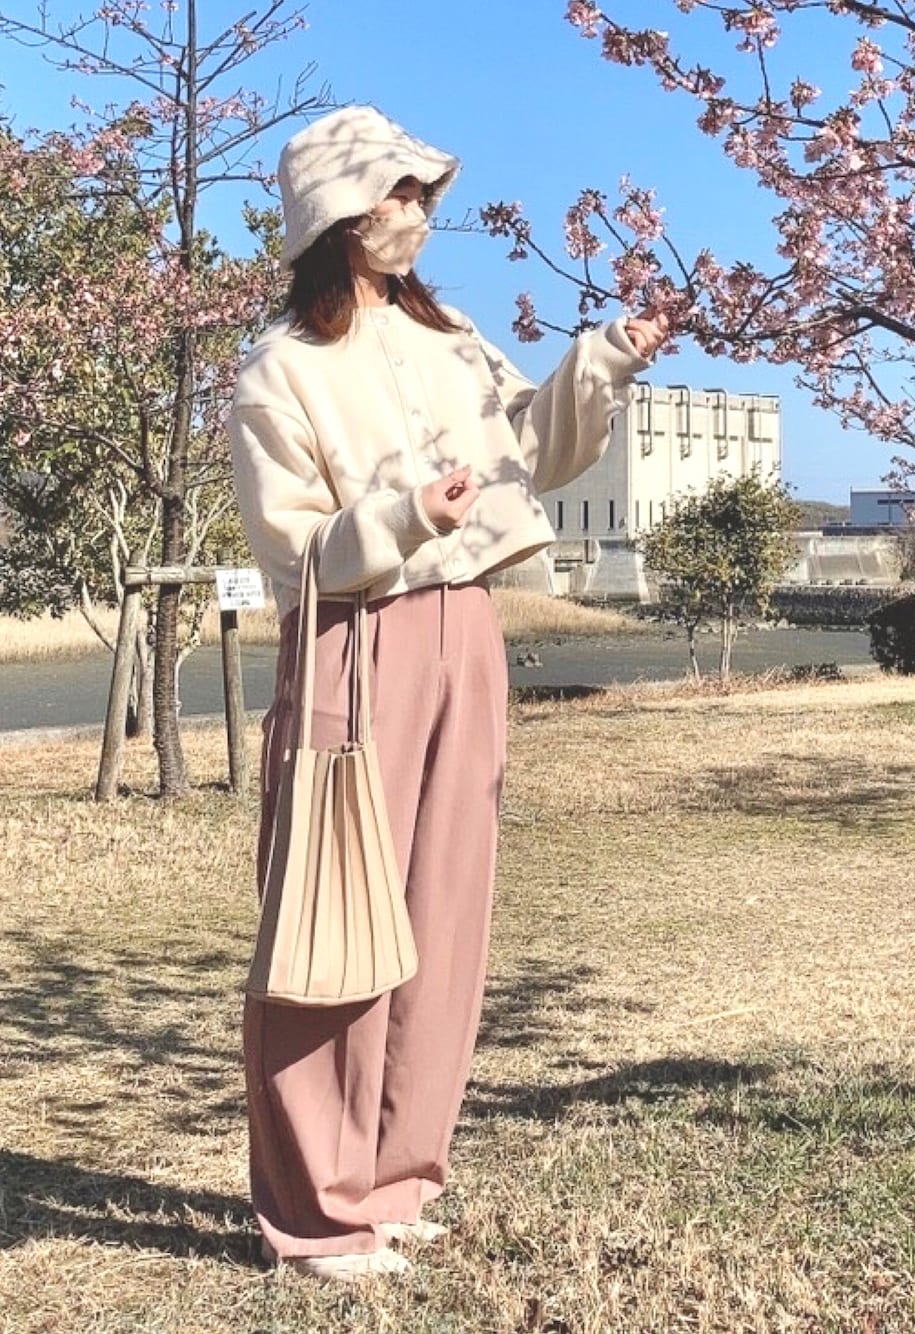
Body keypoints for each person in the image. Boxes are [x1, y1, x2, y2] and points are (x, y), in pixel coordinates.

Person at [226, 104, 672, 1284]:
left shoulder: (450, 336)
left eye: (421, 191)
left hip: (464, 626)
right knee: (332, 907)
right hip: (353, 637)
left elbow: (536, 449)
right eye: (395, 191)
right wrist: (400, 516)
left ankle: (397, 1175)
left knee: (444, 907)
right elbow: (292, 552)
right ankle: (317, 1207)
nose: (416, 212)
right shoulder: (280, 369)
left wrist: (603, 359)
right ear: (335, 212)